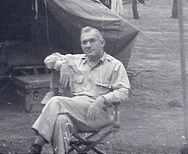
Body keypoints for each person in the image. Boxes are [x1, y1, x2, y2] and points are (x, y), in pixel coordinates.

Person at [28, 26, 131, 154]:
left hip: (99, 114)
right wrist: (63, 64)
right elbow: (49, 59)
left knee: (56, 102)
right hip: (75, 112)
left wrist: (103, 99)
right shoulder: (76, 61)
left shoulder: (114, 65)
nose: (88, 45)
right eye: (84, 42)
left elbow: (124, 92)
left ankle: (36, 146)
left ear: (102, 43)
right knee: (61, 120)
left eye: (92, 41)